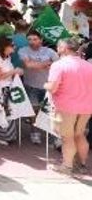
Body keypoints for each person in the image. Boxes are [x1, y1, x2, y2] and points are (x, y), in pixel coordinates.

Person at [44, 38, 92, 175]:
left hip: (66, 106)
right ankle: (82, 165)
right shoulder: (88, 65)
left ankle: (67, 166)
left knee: (67, 137)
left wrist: (45, 85)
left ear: (64, 49)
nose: (57, 49)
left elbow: (52, 88)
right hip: (86, 106)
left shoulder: (58, 65)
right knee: (80, 135)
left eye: (58, 47)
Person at [18, 30, 58, 144]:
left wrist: (36, 65)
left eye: (35, 39)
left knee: (51, 111)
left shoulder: (50, 51)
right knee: (33, 111)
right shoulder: (23, 50)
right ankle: (35, 132)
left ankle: (54, 135)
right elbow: (28, 65)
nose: (32, 42)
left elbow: (57, 65)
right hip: (31, 86)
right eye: (29, 39)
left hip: (48, 86)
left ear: (41, 40)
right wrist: (46, 64)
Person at [0, 37, 22, 145]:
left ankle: (8, 135)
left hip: (9, 87)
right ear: (5, 47)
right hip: (0, 89)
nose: (14, 47)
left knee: (9, 111)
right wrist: (14, 71)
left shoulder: (7, 58)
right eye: (12, 45)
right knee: (0, 112)